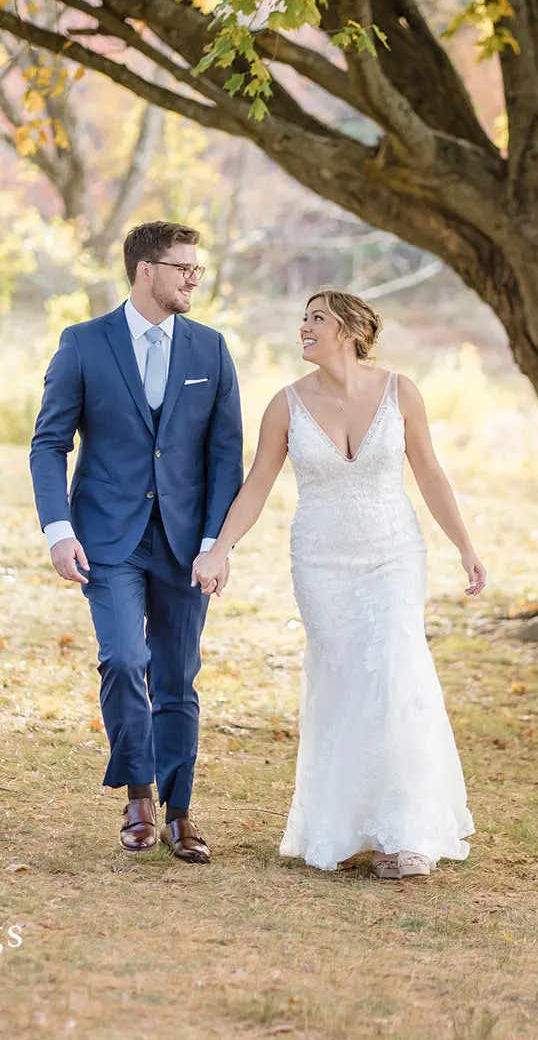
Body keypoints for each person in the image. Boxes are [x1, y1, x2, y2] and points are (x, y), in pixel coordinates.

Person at [191, 289, 482, 879]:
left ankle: (406, 833)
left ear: (347, 329)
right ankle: (350, 825)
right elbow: (257, 486)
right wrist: (221, 549)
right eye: (302, 318)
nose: (303, 327)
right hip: (321, 563)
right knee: (346, 684)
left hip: (392, 555)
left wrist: (465, 545)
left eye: (315, 318)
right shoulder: (286, 405)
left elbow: (429, 471)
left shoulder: (401, 392)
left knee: (396, 673)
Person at [28, 221, 243, 864]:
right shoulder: (83, 344)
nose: (193, 279)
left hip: (185, 545)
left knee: (178, 677)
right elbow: (49, 443)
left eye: (197, 270)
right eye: (184, 268)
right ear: (145, 270)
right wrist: (58, 529)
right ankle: (139, 794)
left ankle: (180, 812)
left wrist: (216, 542)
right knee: (124, 659)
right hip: (106, 539)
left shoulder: (210, 350)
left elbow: (226, 455)